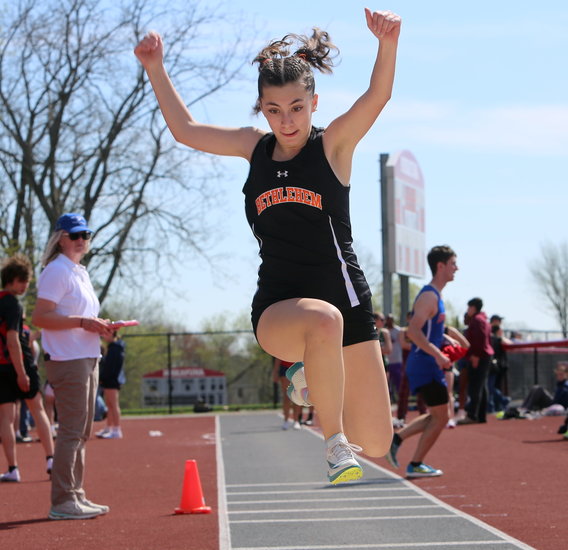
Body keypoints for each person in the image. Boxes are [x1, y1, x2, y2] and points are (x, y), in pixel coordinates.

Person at [135, 8, 401, 484]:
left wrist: (388, 43)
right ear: (261, 108)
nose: (287, 120)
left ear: (314, 103)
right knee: (323, 320)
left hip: (347, 298)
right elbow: (186, 130)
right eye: (274, 110)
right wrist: (155, 67)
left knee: (378, 441)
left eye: (296, 107)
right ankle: (334, 446)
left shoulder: (333, 146)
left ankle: (312, 376)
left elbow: (377, 96)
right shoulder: (253, 147)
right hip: (280, 307)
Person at [32, 213, 113, 520]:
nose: (81, 240)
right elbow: (41, 317)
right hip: (68, 359)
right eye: (75, 235)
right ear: (60, 238)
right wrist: (82, 322)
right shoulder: (57, 270)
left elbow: (80, 317)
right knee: (71, 431)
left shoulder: (78, 271)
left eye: (85, 235)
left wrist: (99, 325)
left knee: (81, 431)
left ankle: (75, 494)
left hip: (86, 356)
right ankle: (63, 500)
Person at [385, 245, 458, 478]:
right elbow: (413, 332)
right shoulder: (429, 296)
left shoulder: (436, 295)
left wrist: (444, 339)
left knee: (439, 414)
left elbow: (427, 330)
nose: (456, 268)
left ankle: (397, 439)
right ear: (440, 266)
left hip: (428, 363)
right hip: (425, 363)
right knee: (442, 416)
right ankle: (415, 463)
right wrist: (438, 354)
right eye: (453, 263)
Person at [0, 254, 55, 482]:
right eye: (22, 281)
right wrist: (21, 373)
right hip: (18, 364)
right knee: (37, 409)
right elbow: (12, 340)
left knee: (6, 417)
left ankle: (13, 468)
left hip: (1, 367)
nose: (25, 285)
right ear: (12, 279)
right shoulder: (13, 304)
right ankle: (51, 459)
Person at [458, 297, 494, 425]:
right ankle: (481, 416)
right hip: (484, 356)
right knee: (481, 386)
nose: (468, 310)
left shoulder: (477, 320)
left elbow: (480, 339)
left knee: (475, 387)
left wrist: (475, 356)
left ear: (473, 308)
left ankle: (472, 415)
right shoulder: (483, 319)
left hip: (479, 356)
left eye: (469, 307)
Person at [96, 331, 126, 439]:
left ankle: (117, 429)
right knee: (109, 405)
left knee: (114, 405)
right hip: (109, 380)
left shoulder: (116, 348)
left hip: (112, 380)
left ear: (112, 334)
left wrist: (104, 378)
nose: (104, 335)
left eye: (106, 333)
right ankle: (108, 428)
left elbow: (112, 367)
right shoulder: (112, 347)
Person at [272, 357, 302, 430]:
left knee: (297, 394)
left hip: (297, 366)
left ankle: (296, 421)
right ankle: (286, 421)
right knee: (287, 396)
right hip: (285, 367)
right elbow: (278, 356)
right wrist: (275, 371)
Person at [385, 314, 403, 404]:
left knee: (398, 383)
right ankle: (389, 402)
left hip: (397, 360)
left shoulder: (398, 330)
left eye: (391, 319)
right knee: (387, 384)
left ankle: (400, 402)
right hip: (387, 361)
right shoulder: (384, 331)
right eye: (388, 319)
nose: (389, 321)